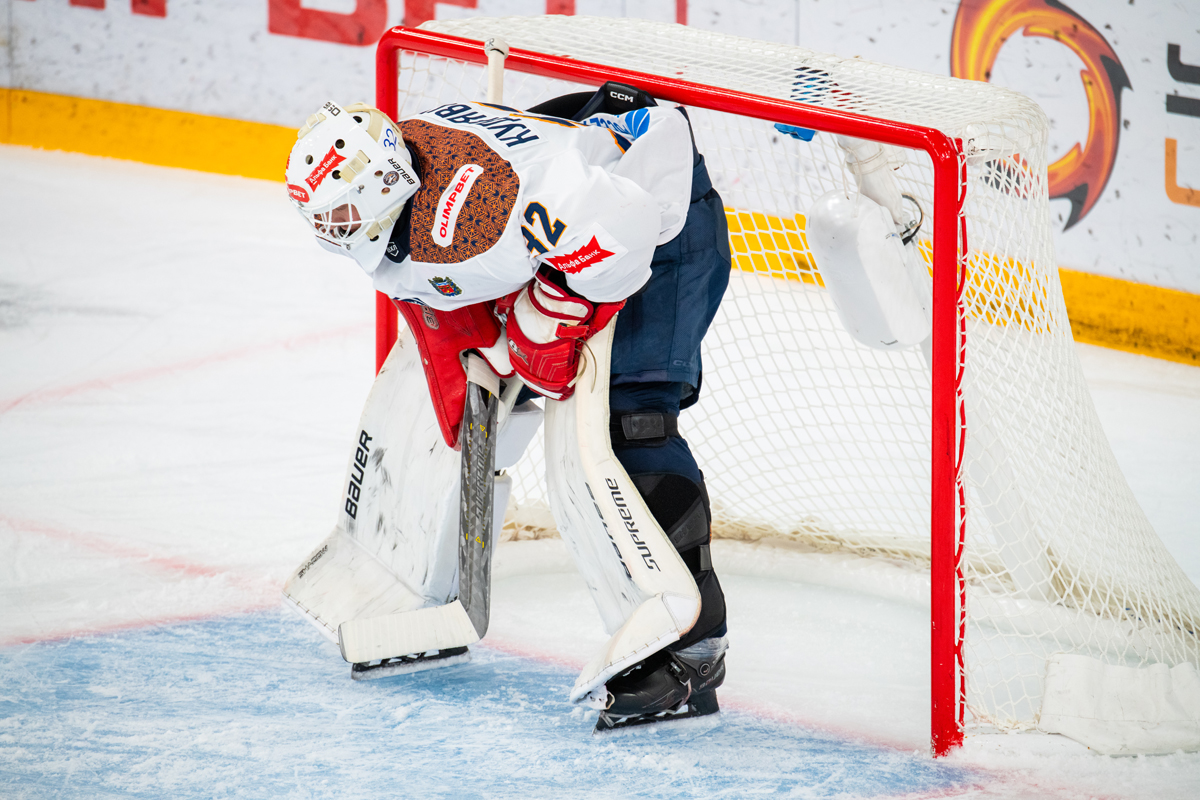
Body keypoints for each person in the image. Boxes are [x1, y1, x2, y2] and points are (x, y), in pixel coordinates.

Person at [285, 84, 731, 730]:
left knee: (630, 421)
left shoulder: (477, 212)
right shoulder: (409, 183)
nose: (334, 229)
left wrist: (550, 310)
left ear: (383, 182)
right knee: (562, 403)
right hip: (595, 191)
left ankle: (694, 653)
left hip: (660, 223)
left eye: (344, 212)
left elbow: (626, 223)